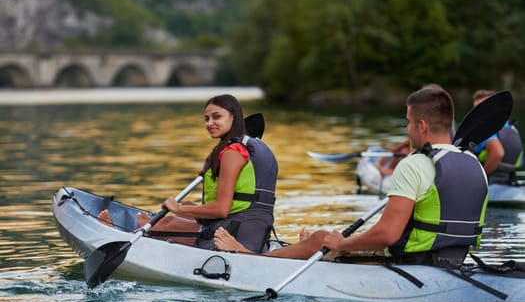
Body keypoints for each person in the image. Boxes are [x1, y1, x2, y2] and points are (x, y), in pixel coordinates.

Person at [215, 87, 488, 266]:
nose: (408, 129)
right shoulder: (474, 163)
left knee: (323, 238)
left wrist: (343, 243)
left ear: (422, 125)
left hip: (412, 262)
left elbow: (387, 234)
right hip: (454, 260)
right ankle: (302, 247)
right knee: (322, 240)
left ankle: (250, 258)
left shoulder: (415, 164)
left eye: (407, 122)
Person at [99, 94, 279, 253]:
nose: (209, 124)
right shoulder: (248, 147)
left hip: (235, 232)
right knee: (185, 210)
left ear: (234, 117)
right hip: (254, 231)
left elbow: (221, 209)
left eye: (217, 117)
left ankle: (116, 236)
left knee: (167, 222)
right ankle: (138, 230)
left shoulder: (233, 152)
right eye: (206, 119)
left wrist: (178, 208)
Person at [472, 90, 523, 184]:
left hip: (491, 182)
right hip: (509, 181)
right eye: (475, 109)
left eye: (481, 108)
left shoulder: (487, 129)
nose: (476, 113)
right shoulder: (510, 127)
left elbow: (498, 152)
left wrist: (481, 180)